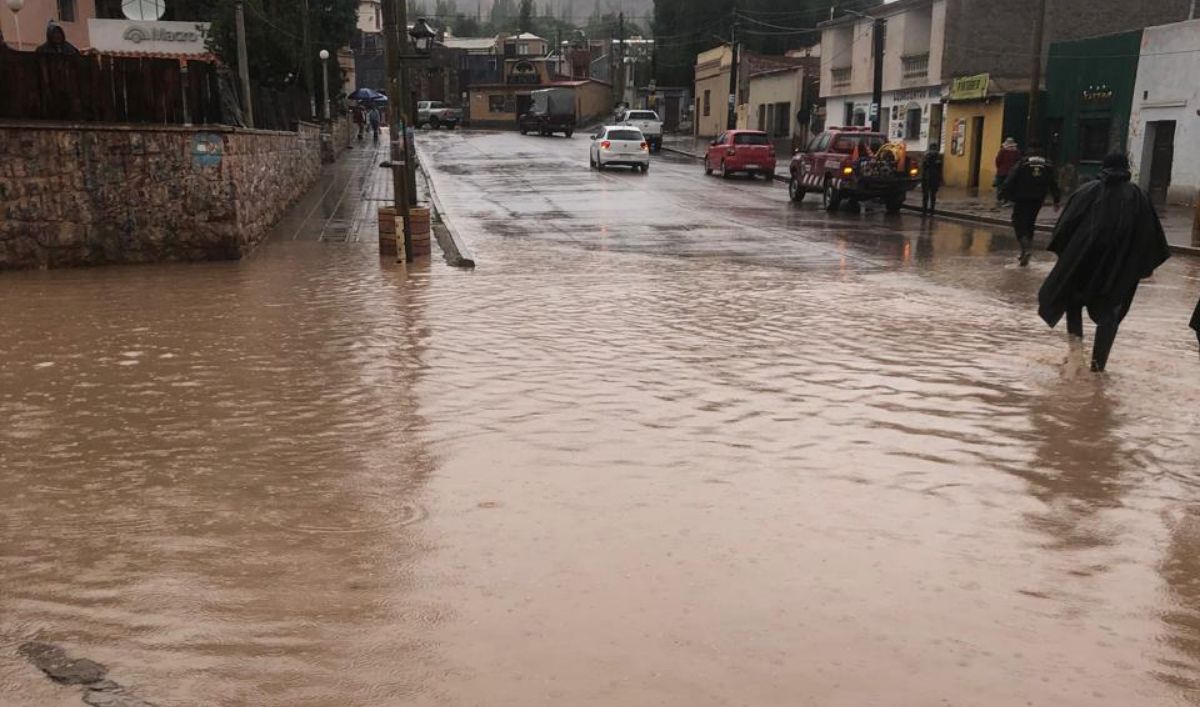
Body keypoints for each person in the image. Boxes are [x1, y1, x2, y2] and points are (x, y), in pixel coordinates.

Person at [1037, 153, 1170, 373]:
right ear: (1127, 168)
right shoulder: (1140, 197)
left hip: (1082, 265)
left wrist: (1067, 259)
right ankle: (1098, 368)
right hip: (1119, 270)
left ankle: (1076, 354)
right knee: (1110, 313)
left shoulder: (1086, 192)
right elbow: (1151, 237)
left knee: (1073, 303)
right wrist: (1141, 268)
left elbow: (1063, 229)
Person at [1000, 143, 1061, 267]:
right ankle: (1024, 252)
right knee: (1030, 222)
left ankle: (1025, 249)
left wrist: (1003, 194)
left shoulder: (1022, 163)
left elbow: (1011, 178)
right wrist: (1056, 200)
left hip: (1022, 197)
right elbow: (1053, 183)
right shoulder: (1047, 164)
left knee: (1018, 222)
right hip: (1038, 198)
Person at [994, 137, 1021, 202]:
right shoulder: (1016, 151)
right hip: (1012, 172)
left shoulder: (1002, 151)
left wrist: (999, 168)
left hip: (1002, 172)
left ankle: (1000, 198)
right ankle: (1007, 198)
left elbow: (998, 160)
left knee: (1000, 185)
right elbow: (1019, 161)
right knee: (1009, 186)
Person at [920, 142, 944, 215]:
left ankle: (926, 211)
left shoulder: (930, 156)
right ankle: (930, 211)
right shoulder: (936, 157)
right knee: (930, 195)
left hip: (929, 178)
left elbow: (924, 167)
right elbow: (939, 169)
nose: (933, 151)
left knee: (928, 195)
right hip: (932, 178)